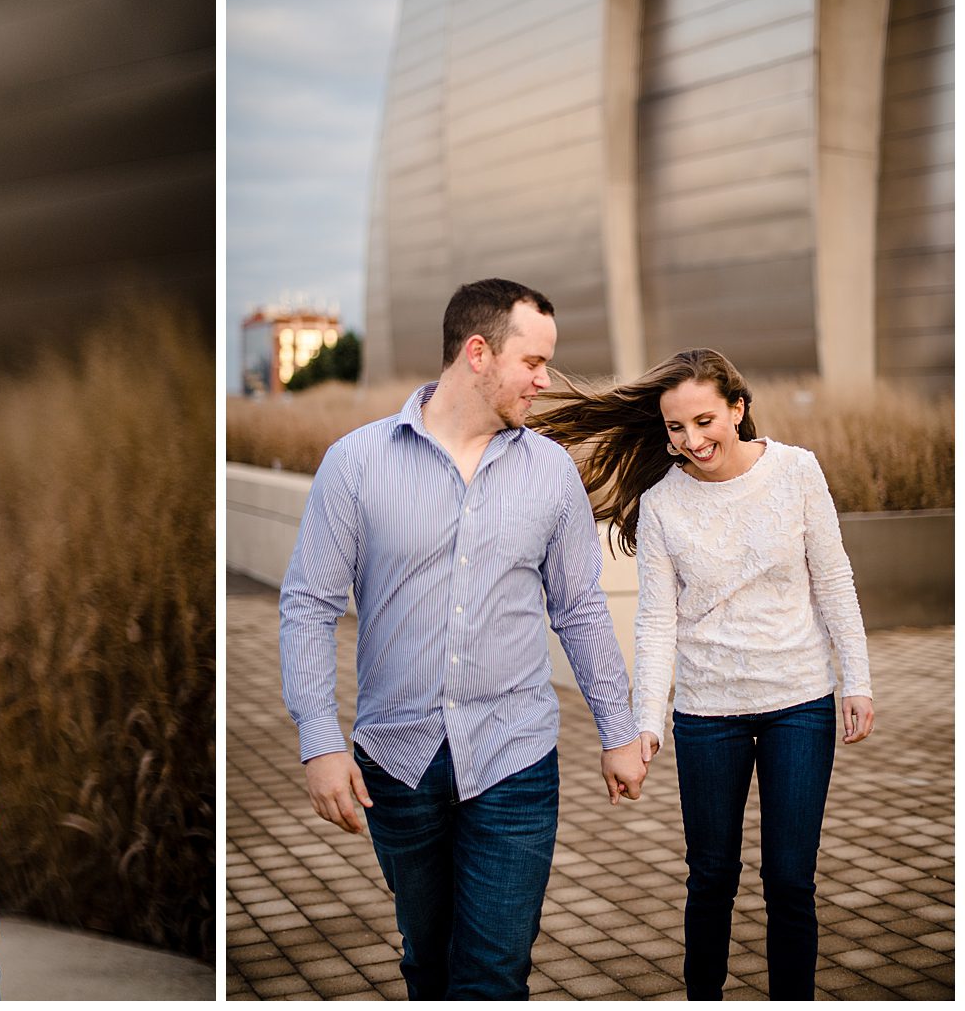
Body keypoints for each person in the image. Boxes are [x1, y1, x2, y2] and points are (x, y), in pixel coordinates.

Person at [277, 277, 649, 999]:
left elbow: (579, 608)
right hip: (397, 761)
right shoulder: (355, 464)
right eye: (533, 362)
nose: (545, 381)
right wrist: (320, 741)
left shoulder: (550, 475)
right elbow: (308, 605)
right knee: (427, 961)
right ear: (478, 353)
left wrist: (618, 729)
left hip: (515, 758)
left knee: (492, 974)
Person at [534, 347, 874, 999]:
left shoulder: (797, 471)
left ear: (738, 409)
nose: (692, 440)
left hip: (799, 702)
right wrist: (645, 728)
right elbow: (657, 623)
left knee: (790, 882)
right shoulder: (663, 504)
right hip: (706, 712)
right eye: (675, 428)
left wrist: (855, 678)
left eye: (705, 420)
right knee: (711, 878)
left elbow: (832, 580)